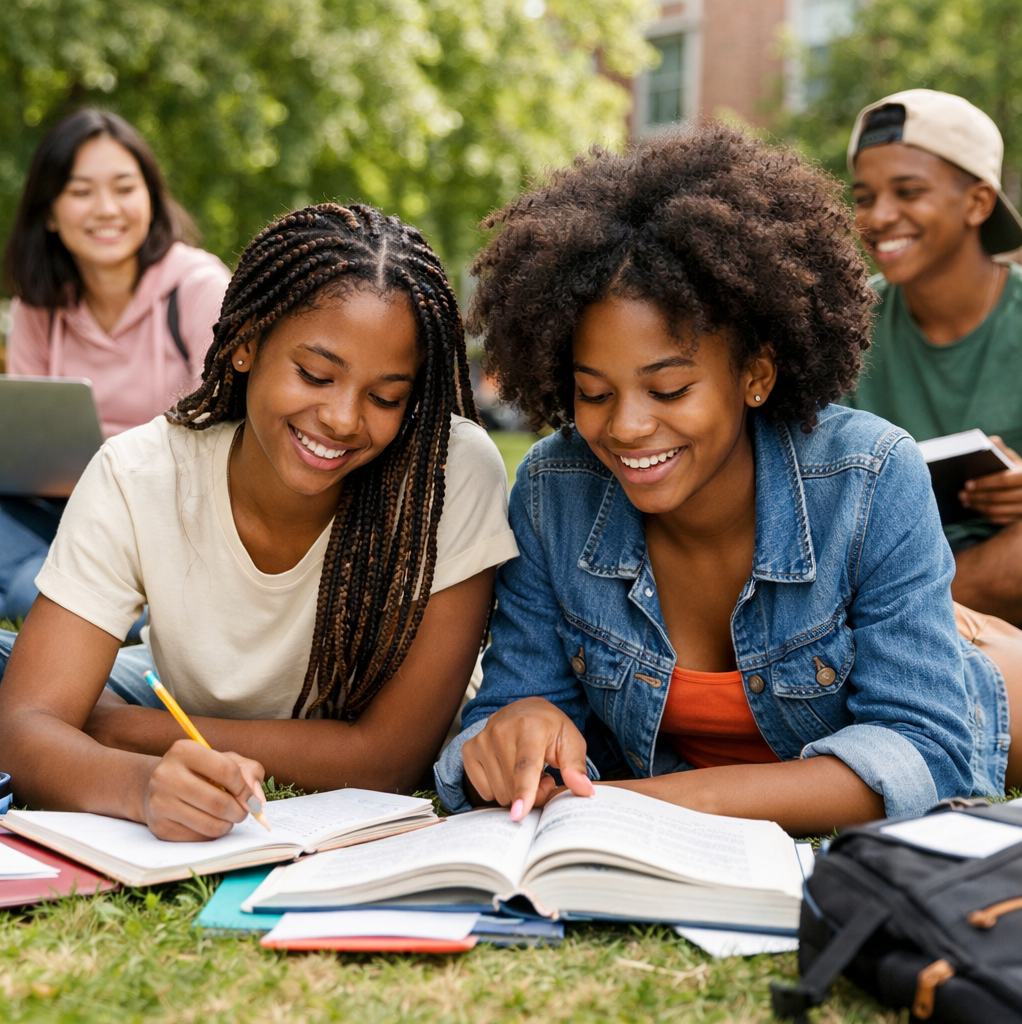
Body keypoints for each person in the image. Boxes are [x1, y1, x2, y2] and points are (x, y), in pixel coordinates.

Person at [433, 123, 1022, 836]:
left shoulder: (868, 476)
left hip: (986, 695)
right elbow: (505, 714)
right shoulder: (552, 490)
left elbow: (927, 752)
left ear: (756, 374)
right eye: (594, 392)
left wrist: (656, 805)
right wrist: (516, 725)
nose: (627, 427)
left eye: (670, 389)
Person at [0, 203, 518, 841]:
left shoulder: (448, 473)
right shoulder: (139, 473)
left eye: (385, 397)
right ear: (246, 343)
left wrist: (114, 727)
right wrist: (139, 785)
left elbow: (387, 760)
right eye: (315, 375)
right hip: (173, 689)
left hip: (172, 710)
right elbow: (22, 728)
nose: (343, 419)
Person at [0, 108, 230, 624]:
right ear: (50, 212)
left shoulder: (200, 288)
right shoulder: (39, 304)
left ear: (150, 198)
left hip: (170, 524)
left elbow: (224, 434)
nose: (106, 209)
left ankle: (51, 597)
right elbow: (25, 448)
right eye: (81, 192)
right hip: (63, 511)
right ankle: (76, 600)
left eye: (124, 188)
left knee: (27, 590)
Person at [845, 90, 1022, 625]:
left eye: (909, 191)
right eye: (864, 197)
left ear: (978, 203)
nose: (879, 216)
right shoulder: (844, 325)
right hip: (883, 567)